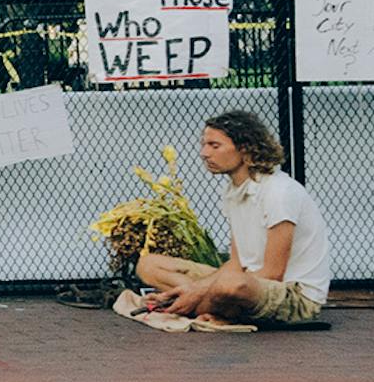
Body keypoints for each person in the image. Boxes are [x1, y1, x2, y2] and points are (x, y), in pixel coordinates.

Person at [138, 111, 333, 325]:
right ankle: (197, 305)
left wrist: (198, 290)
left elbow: (273, 273)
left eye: (215, 146)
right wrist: (195, 289)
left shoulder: (279, 192)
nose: (204, 153)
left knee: (231, 285)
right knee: (148, 264)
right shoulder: (233, 191)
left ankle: (189, 305)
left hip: (293, 296)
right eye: (204, 144)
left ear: (246, 149)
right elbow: (237, 263)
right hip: (247, 280)